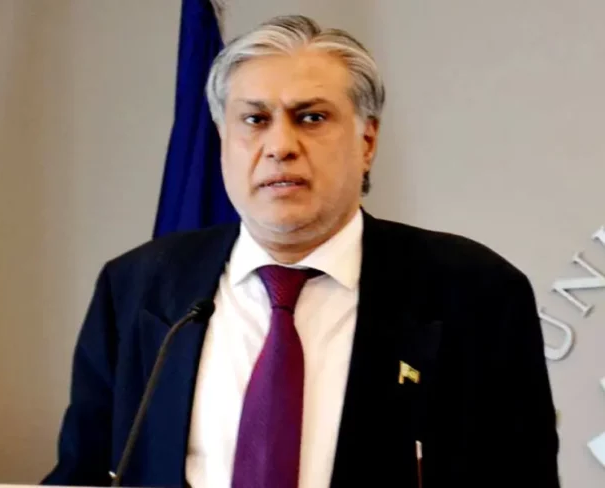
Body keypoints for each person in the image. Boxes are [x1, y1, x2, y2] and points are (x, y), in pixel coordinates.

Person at [43, 14, 559, 488]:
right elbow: (83, 474)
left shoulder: (476, 292)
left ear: (367, 141)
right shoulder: (138, 287)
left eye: (310, 118)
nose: (280, 146)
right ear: (223, 139)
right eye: (254, 120)